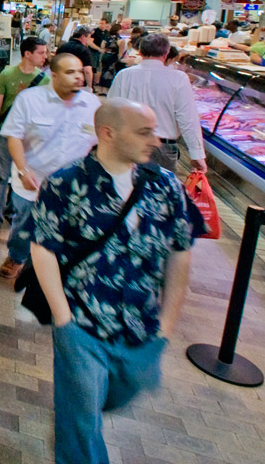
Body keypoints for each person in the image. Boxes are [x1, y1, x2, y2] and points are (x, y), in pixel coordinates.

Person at [23, 99, 200, 464]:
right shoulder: (66, 183)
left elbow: (179, 254)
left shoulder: (165, 187)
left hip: (142, 328)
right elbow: (43, 249)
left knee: (120, 392)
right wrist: (63, 320)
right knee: (81, 426)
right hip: (82, 324)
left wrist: (165, 327)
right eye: (144, 132)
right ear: (108, 133)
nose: (156, 140)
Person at [0, 53, 100, 280]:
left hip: (73, 186)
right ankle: (16, 256)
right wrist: (23, 170)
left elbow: (97, 145)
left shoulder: (91, 105)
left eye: (80, 72)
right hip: (32, 181)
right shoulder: (30, 100)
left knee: (63, 231)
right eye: (70, 72)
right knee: (24, 225)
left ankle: (44, 270)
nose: (78, 77)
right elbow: (14, 137)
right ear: (53, 75)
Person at [108, 34, 208, 173]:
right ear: (167, 53)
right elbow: (187, 118)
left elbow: (111, 111)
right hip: (163, 148)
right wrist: (197, 154)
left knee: (127, 190)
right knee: (160, 190)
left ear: (140, 52)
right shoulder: (179, 78)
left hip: (129, 144)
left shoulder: (124, 75)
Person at [0, 36, 49, 233]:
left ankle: (11, 211)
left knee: (22, 174)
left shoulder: (44, 79)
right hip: (5, 132)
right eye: (41, 52)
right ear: (27, 54)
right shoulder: (7, 74)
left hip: (29, 136)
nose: (45, 56)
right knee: (0, 175)